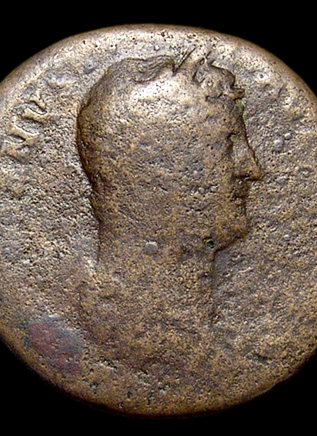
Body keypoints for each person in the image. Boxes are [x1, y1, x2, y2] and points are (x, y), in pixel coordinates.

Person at [75, 51, 263, 372]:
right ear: (156, 172)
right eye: (229, 144)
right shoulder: (125, 340)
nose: (252, 170)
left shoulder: (192, 343)